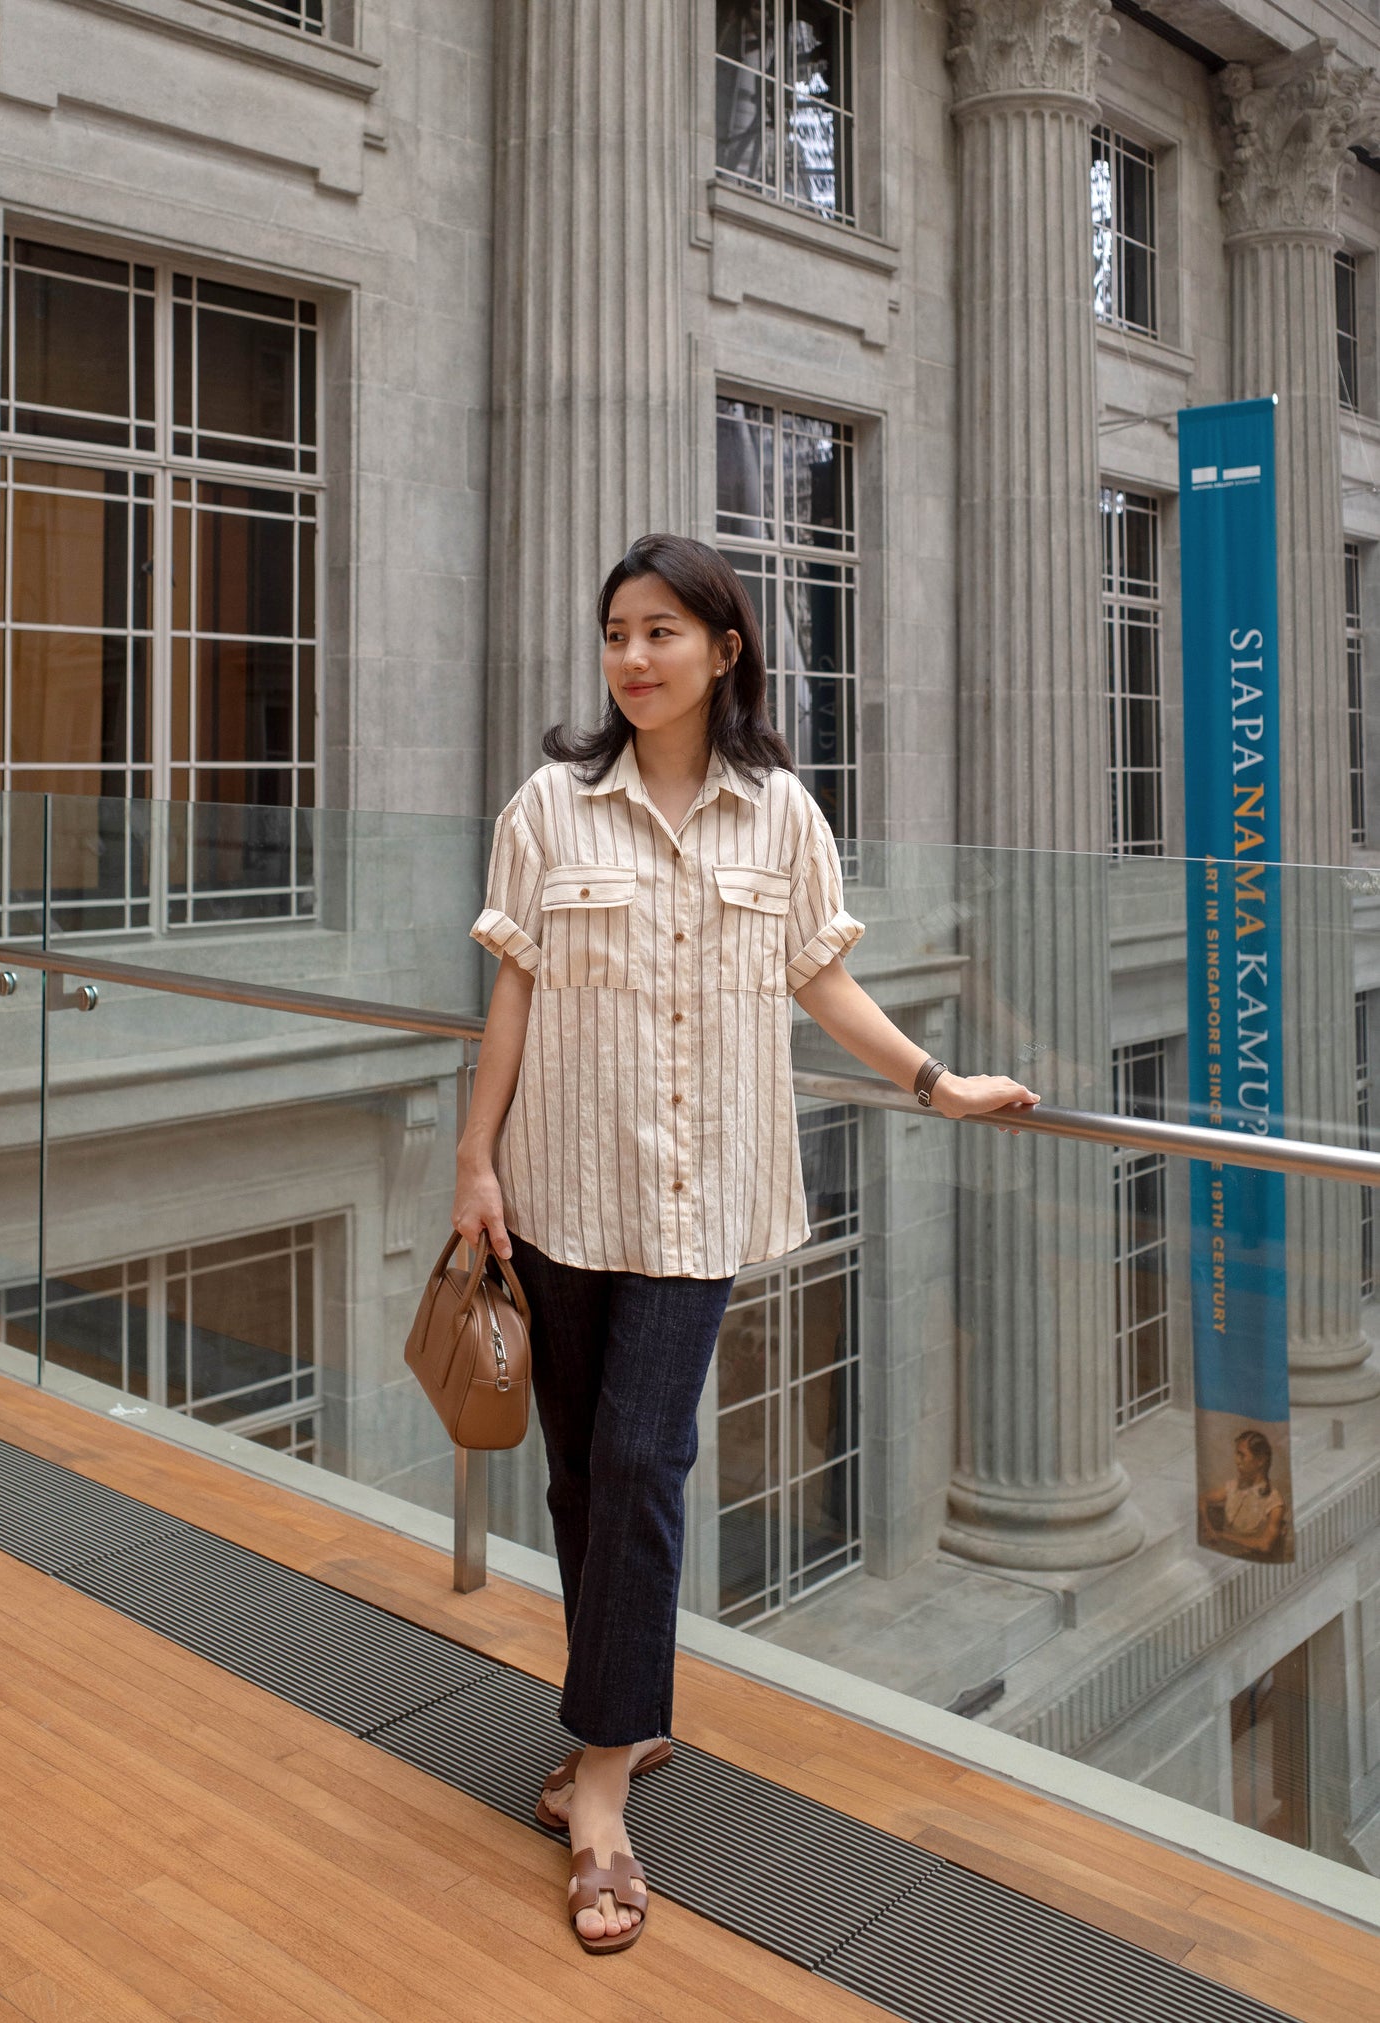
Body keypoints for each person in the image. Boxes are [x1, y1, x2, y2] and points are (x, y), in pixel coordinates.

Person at [450, 533, 1040, 1954]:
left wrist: (931, 1078)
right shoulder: (547, 806)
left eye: (661, 631)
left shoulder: (780, 814)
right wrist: (473, 1156)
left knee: (647, 1458)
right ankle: (623, 1705)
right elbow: (514, 998)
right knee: (581, 1468)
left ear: (726, 648)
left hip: (699, 1195)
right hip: (556, 1186)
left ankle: (598, 1784)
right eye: (614, 634)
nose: (633, 658)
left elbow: (819, 976)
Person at [1198, 1429, 1287, 1560]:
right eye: (1236, 1454)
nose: (1237, 1461)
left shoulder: (1274, 1502)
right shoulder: (1233, 1486)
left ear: (1260, 1460)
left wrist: (1222, 1536)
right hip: (1220, 1556)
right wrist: (1207, 1526)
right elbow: (1202, 1499)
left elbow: (1265, 1545)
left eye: (1242, 1455)